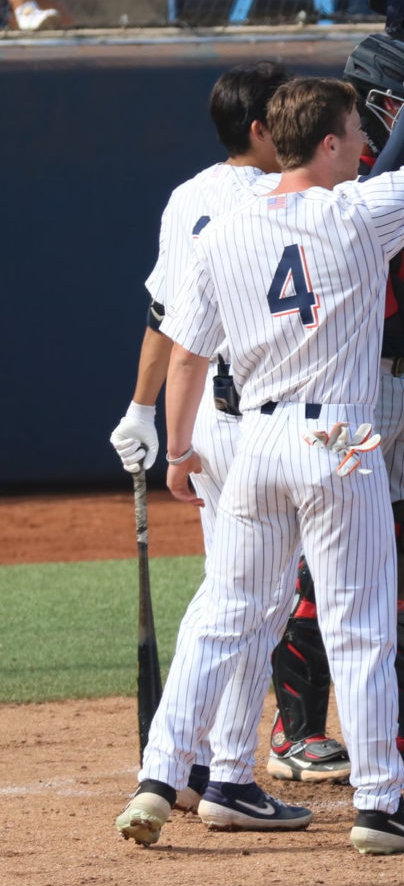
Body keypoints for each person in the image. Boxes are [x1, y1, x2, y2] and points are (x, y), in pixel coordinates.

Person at [114, 15, 404, 855]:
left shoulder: (220, 229)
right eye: (351, 136)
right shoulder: (358, 212)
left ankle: (161, 776)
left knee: (226, 614)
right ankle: (379, 804)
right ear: (332, 145)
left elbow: (188, 356)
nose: (357, 148)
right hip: (335, 438)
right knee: (360, 620)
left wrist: (180, 450)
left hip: (249, 442)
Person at [266, 34, 404, 782]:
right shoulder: (339, 179)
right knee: (327, 561)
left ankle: (397, 724)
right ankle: (296, 729)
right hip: (343, 389)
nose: (398, 117)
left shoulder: (387, 164)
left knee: (401, 540)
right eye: (390, 103)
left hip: (397, 379)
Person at [110, 60, 301, 820]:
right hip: (260, 415)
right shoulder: (284, 197)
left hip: (203, 418)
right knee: (254, 596)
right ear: (260, 129)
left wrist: (143, 411)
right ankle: (218, 771)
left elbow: (167, 318)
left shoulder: (187, 193)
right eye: (282, 111)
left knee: (234, 588)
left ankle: (195, 761)